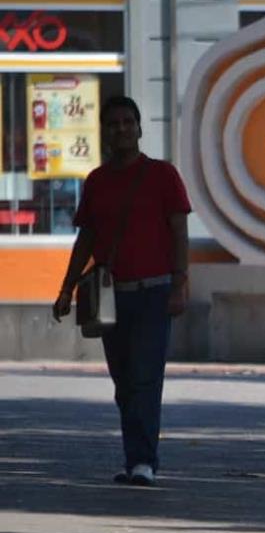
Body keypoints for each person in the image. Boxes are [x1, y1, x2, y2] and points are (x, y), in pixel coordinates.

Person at [52, 95, 192, 488]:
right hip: (110, 296)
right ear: (105, 133)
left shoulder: (163, 176)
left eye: (128, 122)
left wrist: (180, 283)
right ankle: (135, 458)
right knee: (124, 381)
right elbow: (86, 238)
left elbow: (179, 231)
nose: (121, 129)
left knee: (146, 377)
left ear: (139, 128)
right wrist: (66, 288)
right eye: (113, 124)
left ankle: (143, 462)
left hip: (154, 292)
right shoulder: (97, 181)